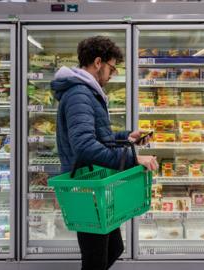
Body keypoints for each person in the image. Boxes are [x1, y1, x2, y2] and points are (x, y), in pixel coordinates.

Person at [51, 36, 159, 270]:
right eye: (112, 67)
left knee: (113, 249)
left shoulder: (86, 92)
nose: (113, 74)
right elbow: (85, 146)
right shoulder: (79, 94)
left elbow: (95, 136)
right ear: (98, 62)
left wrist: (126, 137)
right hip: (85, 186)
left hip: (94, 183)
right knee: (95, 260)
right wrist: (133, 159)